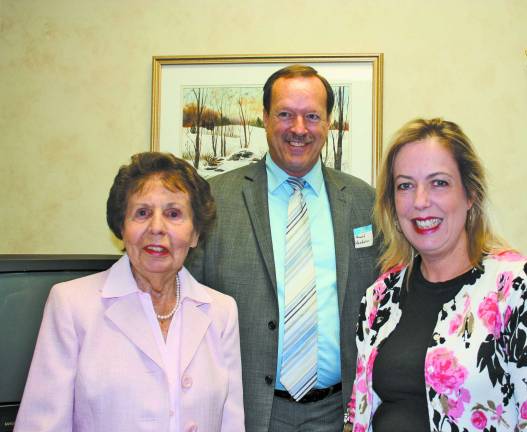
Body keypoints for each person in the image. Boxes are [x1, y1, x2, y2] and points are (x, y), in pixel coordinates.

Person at [187, 65, 380, 432]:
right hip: (247, 411)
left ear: (328, 123)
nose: (298, 129)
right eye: (285, 115)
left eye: (312, 116)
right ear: (264, 119)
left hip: (340, 411)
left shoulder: (363, 203)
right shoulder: (213, 201)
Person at [344, 118, 527, 431]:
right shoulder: (379, 298)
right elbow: (360, 413)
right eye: (405, 186)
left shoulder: (516, 286)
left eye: (439, 182)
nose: (421, 202)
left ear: (470, 195)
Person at [15, 152, 244, 432]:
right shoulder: (72, 305)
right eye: (142, 213)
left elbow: (231, 424)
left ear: (195, 233)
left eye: (173, 214)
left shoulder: (222, 311)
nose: (157, 228)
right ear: (122, 228)